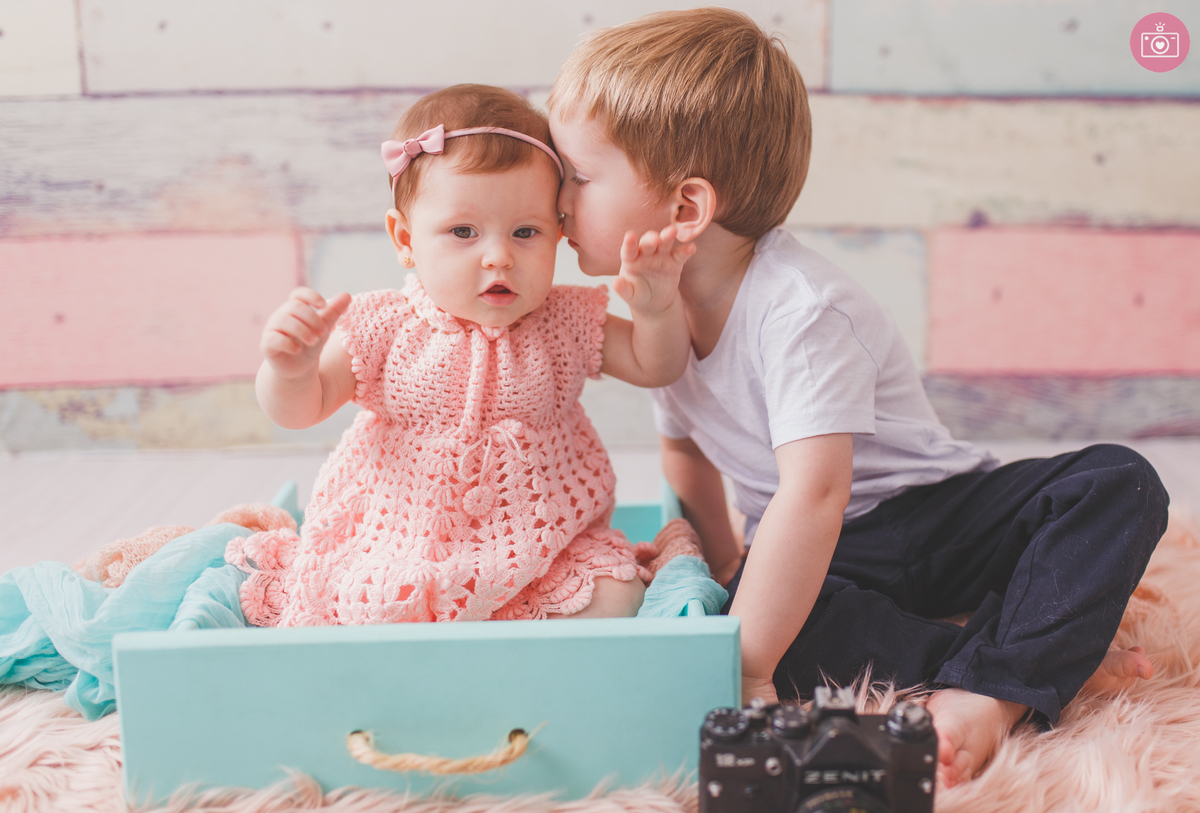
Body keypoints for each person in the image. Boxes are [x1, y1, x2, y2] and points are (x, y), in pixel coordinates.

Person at [546, 8, 1169, 788]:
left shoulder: (798, 308)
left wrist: (750, 665)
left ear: (685, 209)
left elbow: (817, 490)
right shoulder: (658, 313)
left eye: (577, 174)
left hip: (931, 512)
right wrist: (728, 569)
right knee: (747, 621)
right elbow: (685, 451)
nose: (558, 197)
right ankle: (1035, 651)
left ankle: (994, 687)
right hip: (831, 549)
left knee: (1117, 482)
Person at [229, 84, 697, 628]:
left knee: (617, 598)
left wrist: (658, 310)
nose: (498, 256)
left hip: (543, 544)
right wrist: (290, 369)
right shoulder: (383, 325)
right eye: (463, 232)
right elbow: (300, 409)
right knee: (366, 609)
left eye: (526, 232)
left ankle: (512, 654)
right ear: (405, 238)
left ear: (558, 232)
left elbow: (655, 365)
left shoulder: (565, 320)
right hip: (402, 541)